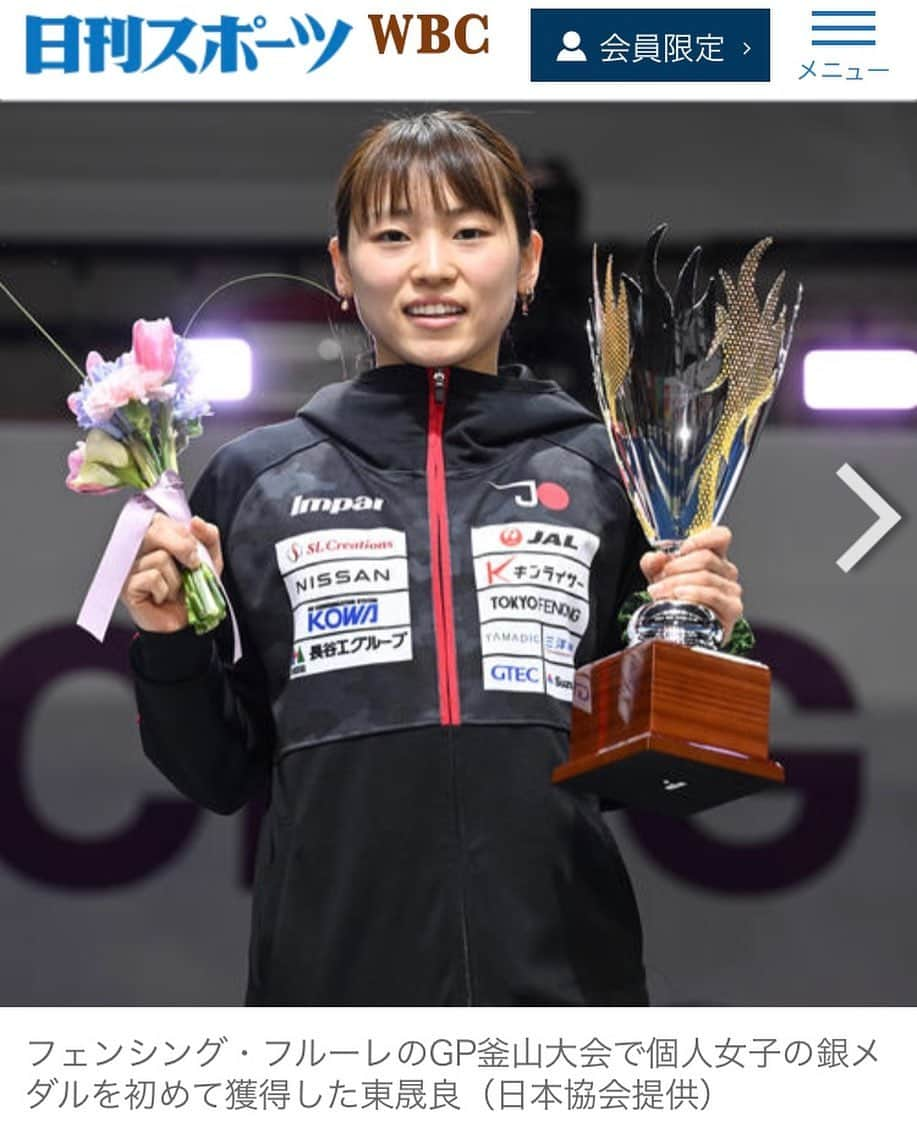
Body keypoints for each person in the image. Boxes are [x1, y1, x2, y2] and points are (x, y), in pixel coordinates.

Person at [124, 110, 743, 1006]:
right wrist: (170, 644)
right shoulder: (254, 482)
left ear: (527, 262)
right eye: (391, 235)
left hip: (565, 988)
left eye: (468, 231)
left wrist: (707, 639)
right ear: (341, 267)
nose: (432, 267)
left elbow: (678, 780)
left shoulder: (616, 473)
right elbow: (217, 772)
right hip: (328, 995)